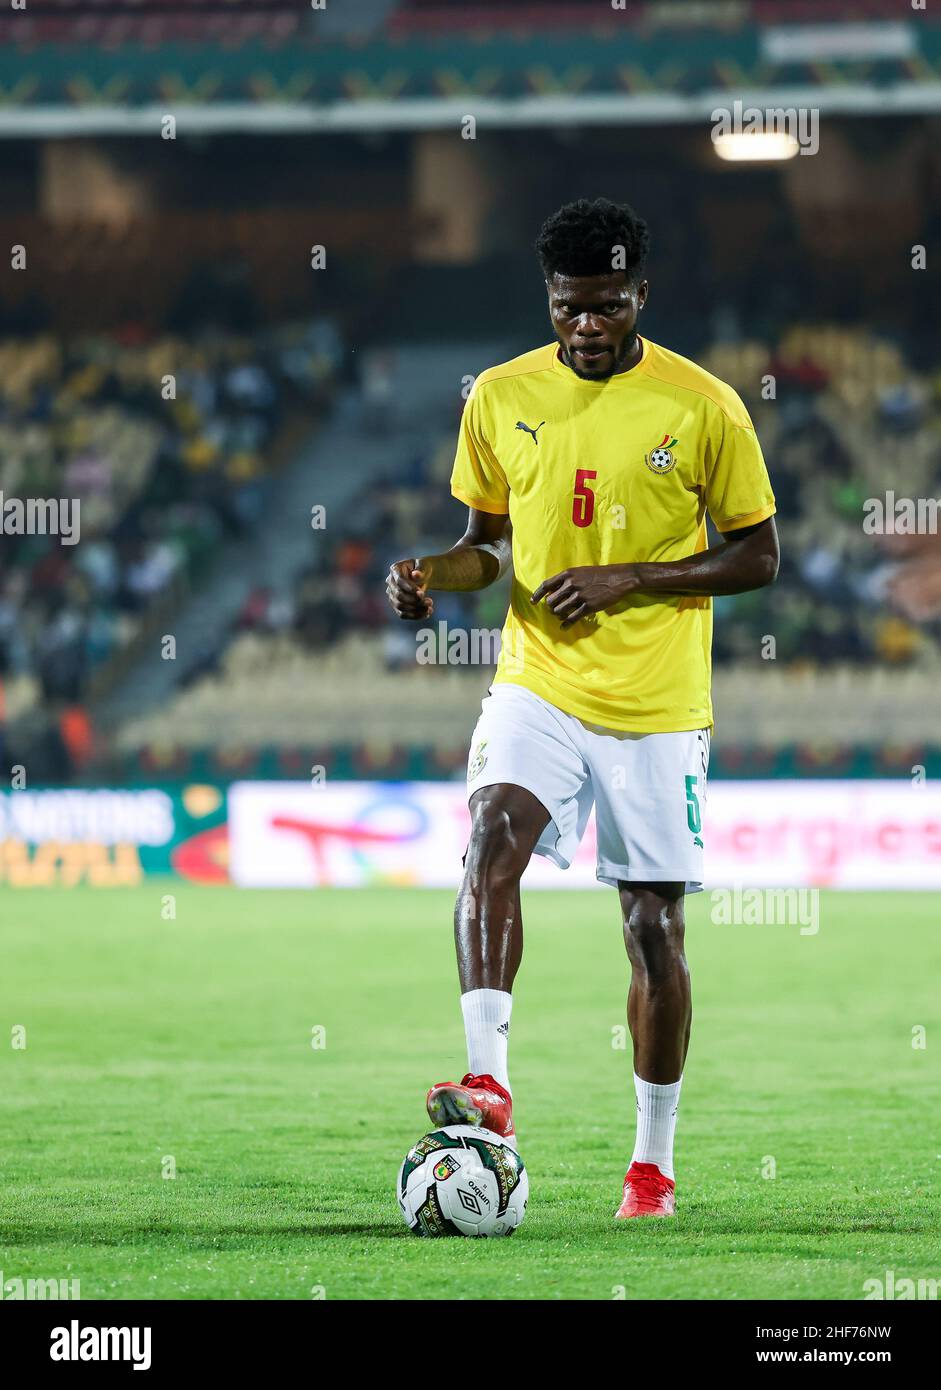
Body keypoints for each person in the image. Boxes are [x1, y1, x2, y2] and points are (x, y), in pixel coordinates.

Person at [385, 197, 778, 1217]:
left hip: (655, 701)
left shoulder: (702, 406)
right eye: (570, 309)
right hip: (538, 680)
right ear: (549, 300)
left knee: (650, 928)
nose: (587, 327)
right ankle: (487, 1082)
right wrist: (434, 569)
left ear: (639, 294)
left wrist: (630, 579)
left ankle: (649, 1164)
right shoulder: (500, 394)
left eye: (606, 307)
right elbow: (485, 542)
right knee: (488, 837)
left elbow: (757, 553)